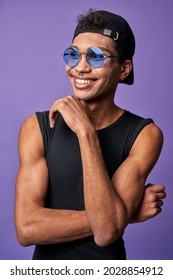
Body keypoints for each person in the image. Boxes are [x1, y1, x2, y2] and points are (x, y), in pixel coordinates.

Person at [15, 9, 166, 260]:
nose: (80, 68)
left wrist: (86, 132)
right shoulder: (36, 127)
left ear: (124, 69)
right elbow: (26, 228)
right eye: (73, 55)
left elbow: (107, 233)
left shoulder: (144, 135)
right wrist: (123, 215)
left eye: (96, 57)